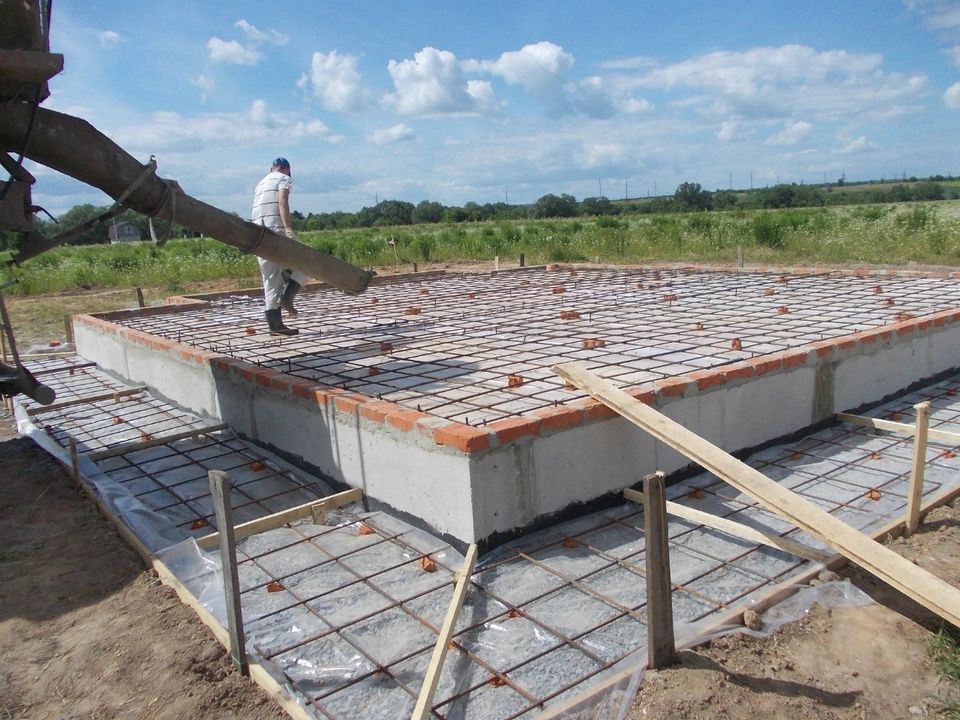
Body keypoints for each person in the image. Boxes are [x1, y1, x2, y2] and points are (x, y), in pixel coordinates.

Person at [251, 157, 307, 336]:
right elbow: (283, 201)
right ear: (287, 168)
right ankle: (287, 297)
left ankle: (275, 326)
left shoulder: (260, 183)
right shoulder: (284, 178)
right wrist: (288, 229)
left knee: (270, 278)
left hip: (258, 235)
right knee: (309, 263)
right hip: (276, 232)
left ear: (271, 168)